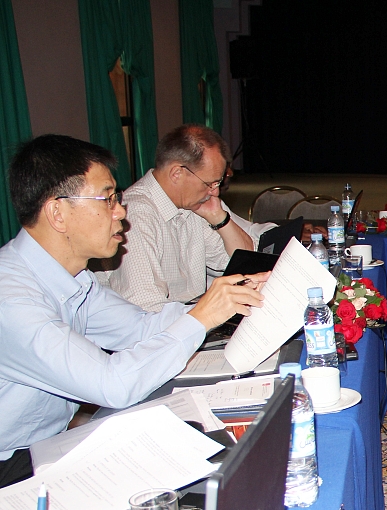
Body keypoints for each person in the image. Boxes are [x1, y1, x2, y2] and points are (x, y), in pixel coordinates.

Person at [0, 135, 267, 488]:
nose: (121, 212)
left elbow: (140, 327)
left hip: (45, 446)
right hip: (10, 466)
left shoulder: (73, 278)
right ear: (57, 213)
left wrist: (230, 297)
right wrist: (202, 316)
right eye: (108, 199)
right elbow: (112, 384)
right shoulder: (11, 298)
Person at [99, 124, 256, 312]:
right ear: (177, 173)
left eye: (218, 183)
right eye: (210, 183)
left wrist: (220, 218)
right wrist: (208, 316)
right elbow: (145, 308)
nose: (215, 192)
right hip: (163, 325)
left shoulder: (192, 204)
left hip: (188, 317)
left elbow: (247, 264)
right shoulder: (136, 216)